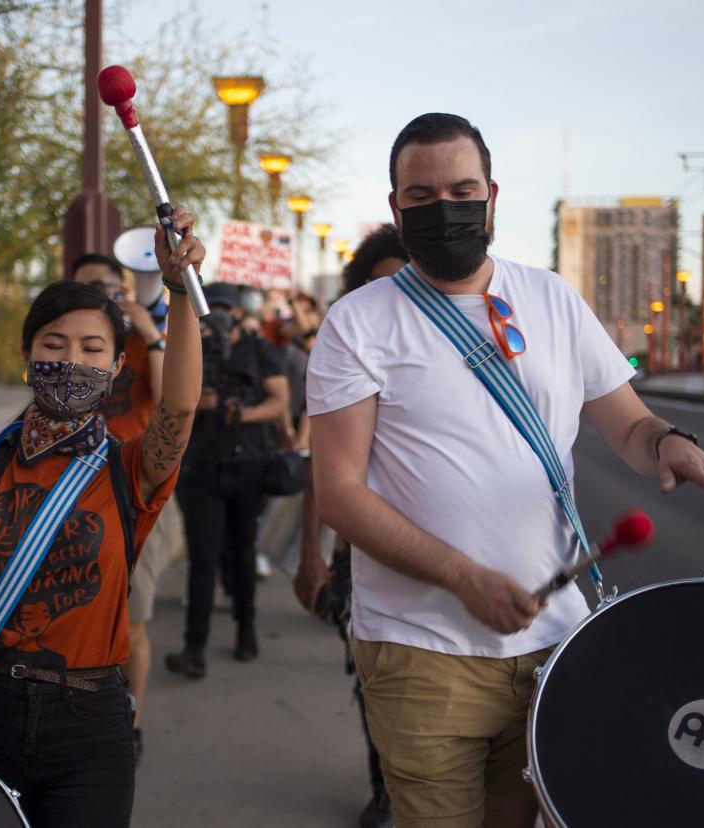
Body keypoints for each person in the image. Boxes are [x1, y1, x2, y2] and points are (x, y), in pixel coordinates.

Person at [306, 114, 704, 828]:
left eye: (461, 188)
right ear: (395, 208)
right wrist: (463, 577)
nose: (444, 207)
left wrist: (669, 440)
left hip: (554, 643)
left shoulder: (551, 298)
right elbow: (339, 493)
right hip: (421, 652)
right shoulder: (357, 324)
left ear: (491, 195)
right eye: (420, 196)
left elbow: (630, 426)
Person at [0, 207, 204, 828]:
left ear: (117, 368)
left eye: (94, 349)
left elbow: (181, 405)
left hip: (92, 723)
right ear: (27, 357)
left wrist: (177, 292)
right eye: (53, 344)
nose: (72, 360)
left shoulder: (128, 469)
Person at [294, 224, 407, 828]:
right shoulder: (343, 352)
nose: (388, 294)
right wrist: (311, 554)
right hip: (357, 558)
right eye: (375, 283)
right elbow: (324, 471)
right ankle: (385, 787)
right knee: (374, 680)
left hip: (436, 560)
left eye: (401, 280)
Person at [72, 252, 184, 767]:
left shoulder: (140, 341)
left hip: (132, 489)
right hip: (72, 492)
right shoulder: (67, 347)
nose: (100, 297)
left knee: (133, 621)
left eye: (108, 288)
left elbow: (169, 400)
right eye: (86, 288)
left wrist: (151, 332)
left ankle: (129, 723)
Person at [164, 282, 288, 678]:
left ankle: (246, 630)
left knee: (243, 552)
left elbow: (279, 400)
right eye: (211, 307)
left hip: (249, 465)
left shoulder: (258, 349)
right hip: (203, 467)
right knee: (203, 559)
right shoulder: (191, 347)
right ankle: (193, 647)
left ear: (237, 312)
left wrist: (242, 413)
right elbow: (170, 396)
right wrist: (203, 402)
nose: (218, 314)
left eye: (224, 308)